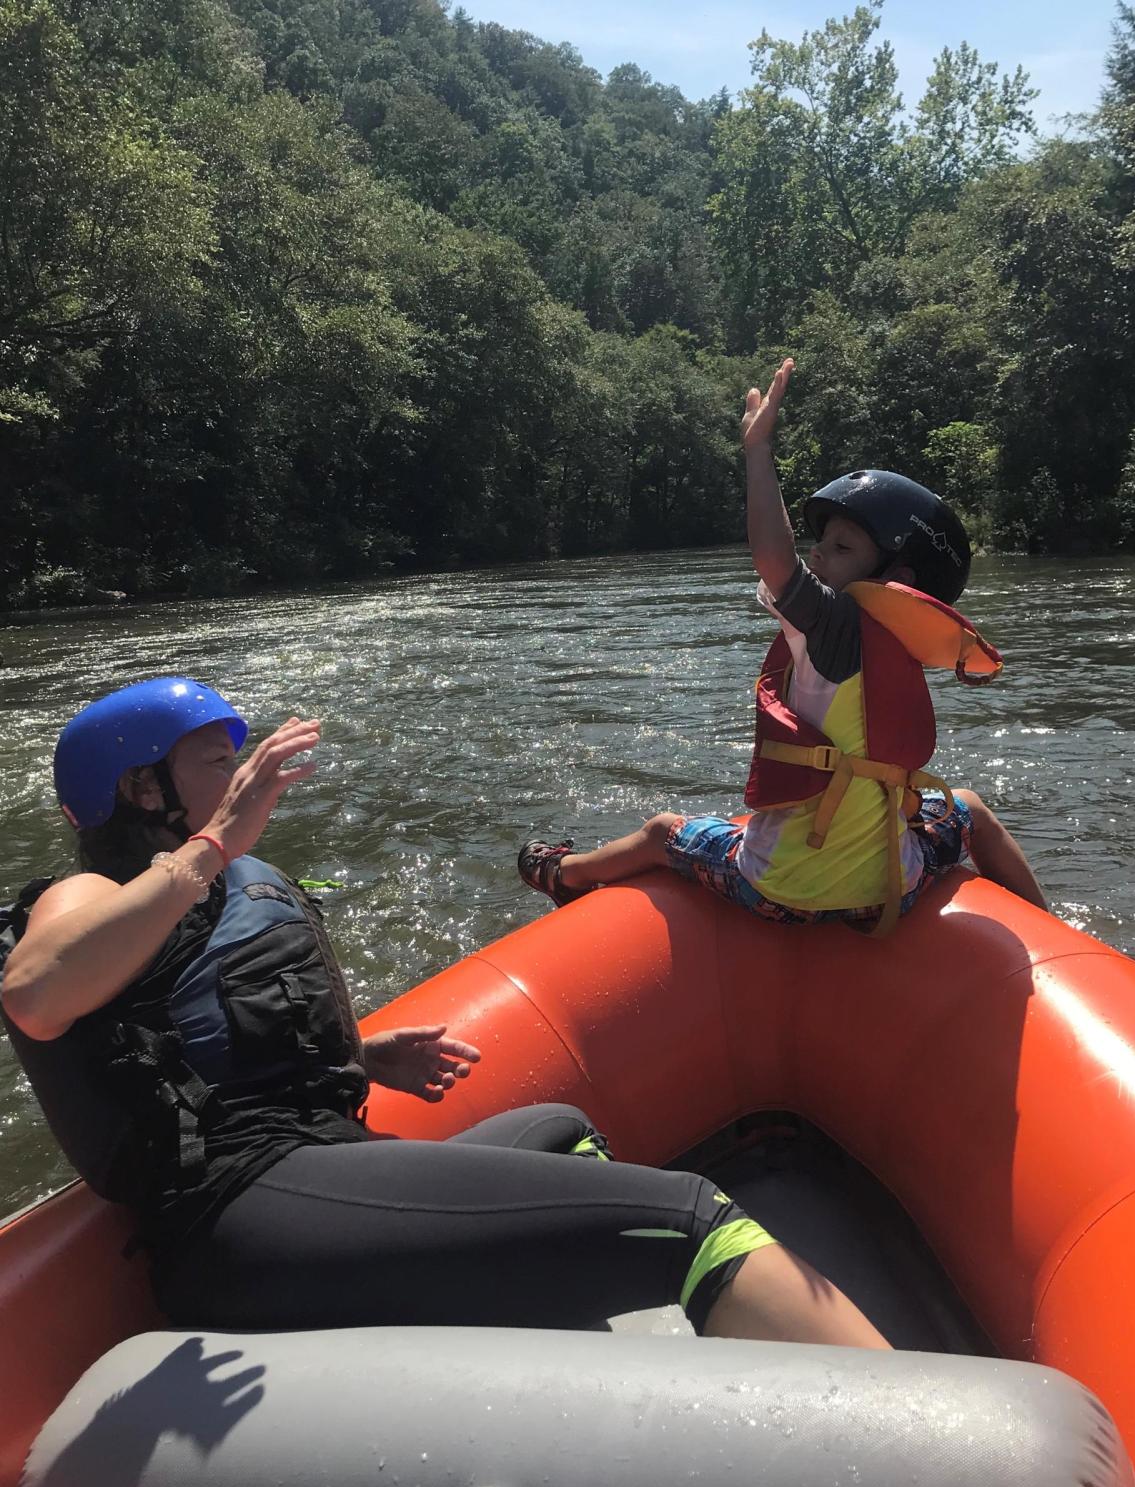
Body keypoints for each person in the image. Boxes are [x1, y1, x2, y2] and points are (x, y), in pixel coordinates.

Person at [0, 677, 887, 1349]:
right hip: (241, 1209)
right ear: (143, 791)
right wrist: (215, 841)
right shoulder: (94, 889)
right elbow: (37, 993)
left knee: (558, 1126)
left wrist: (364, 1054)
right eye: (215, 762)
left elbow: (224, 1034)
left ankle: (557, 1362)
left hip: (312, 1166)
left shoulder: (211, 885)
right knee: (687, 1213)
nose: (238, 781)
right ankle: (916, 1447)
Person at [519, 359, 1046, 935]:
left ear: (900, 577)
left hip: (778, 891)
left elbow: (775, 562)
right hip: (896, 885)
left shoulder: (832, 626)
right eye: (821, 542)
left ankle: (561, 873)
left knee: (662, 831)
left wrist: (757, 452)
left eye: (840, 547)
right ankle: (1053, 934)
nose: (818, 555)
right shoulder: (911, 643)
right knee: (971, 811)